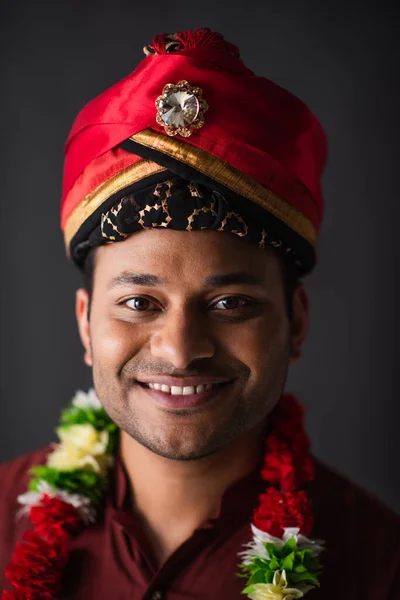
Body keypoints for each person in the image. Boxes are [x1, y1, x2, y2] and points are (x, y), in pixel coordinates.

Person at [0, 27, 399, 600]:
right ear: (86, 323)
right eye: (139, 303)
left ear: (297, 323)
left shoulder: (380, 566)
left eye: (230, 304)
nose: (181, 349)